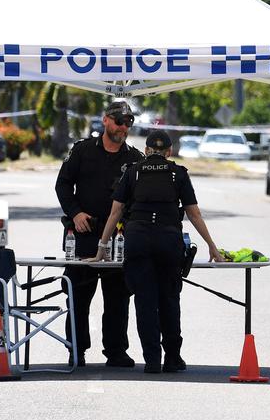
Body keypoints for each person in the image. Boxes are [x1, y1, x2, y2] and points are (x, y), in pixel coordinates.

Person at [92, 129, 225, 374]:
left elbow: (116, 212)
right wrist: (212, 246)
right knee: (169, 299)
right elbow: (193, 213)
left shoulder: (132, 172)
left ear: (146, 151)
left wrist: (102, 248)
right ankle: (173, 358)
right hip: (168, 240)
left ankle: (152, 360)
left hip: (139, 240)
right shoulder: (179, 174)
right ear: (169, 152)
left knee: (145, 302)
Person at [55, 100, 143, 367]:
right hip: (84, 234)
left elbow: (139, 198)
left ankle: (116, 351)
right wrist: (75, 213)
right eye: (119, 122)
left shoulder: (134, 159)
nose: (123, 128)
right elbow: (62, 185)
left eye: (129, 123)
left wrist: (127, 225)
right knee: (78, 297)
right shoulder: (82, 150)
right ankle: (76, 349)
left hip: (117, 238)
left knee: (118, 298)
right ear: (105, 120)